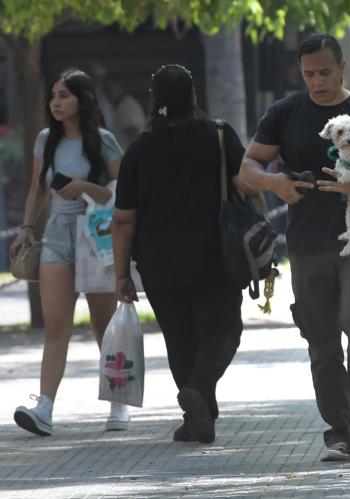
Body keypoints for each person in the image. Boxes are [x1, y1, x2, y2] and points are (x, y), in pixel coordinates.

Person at [238, 33, 350, 461]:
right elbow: (247, 168)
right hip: (307, 243)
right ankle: (338, 432)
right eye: (309, 74)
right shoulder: (286, 113)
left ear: (342, 66)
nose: (317, 82)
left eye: (325, 72)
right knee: (322, 339)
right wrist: (274, 182)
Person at [111, 64, 260, 443]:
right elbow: (247, 183)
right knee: (224, 329)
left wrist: (121, 273)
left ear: (154, 99)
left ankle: (198, 415)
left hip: (158, 262)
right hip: (215, 255)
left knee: (180, 338)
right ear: (193, 94)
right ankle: (197, 394)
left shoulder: (139, 151)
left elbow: (124, 219)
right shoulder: (218, 136)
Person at [9, 69, 126, 436]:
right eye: (52, 97)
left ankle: (117, 402)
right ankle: (44, 407)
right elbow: (37, 190)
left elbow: (121, 190)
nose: (55, 103)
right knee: (56, 325)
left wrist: (85, 186)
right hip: (57, 236)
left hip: (96, 237)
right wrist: (28, 227)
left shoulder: (103, 141)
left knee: (103, 326)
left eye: (63, 96)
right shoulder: (46, 139)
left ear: (82, 99)